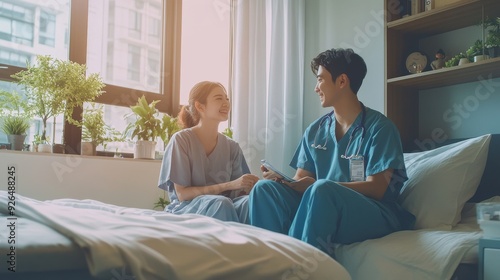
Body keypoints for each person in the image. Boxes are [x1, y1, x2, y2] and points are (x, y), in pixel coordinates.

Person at [248, 48, 415, 257]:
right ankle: (269, 264)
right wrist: (285, 182)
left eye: (320, 80)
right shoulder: (315, 130)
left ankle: (301, 268)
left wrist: (321, 186)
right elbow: (303, 179)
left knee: (322, 189)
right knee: (264, 189)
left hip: (373, 211)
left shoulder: (380, 128)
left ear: (342, 81)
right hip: (322, 204)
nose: (316, 88)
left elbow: (378, 188)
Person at [158, 81, 259, 223]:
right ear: (200, 106)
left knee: (250, 203)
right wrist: (229, 185)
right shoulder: (182, 140)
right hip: (187, 207)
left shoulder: (232, 147)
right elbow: (182, 194)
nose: (226, 103)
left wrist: (254, 185)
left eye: (227, 99)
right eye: (219, 98)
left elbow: (239, 192)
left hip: (225, 205)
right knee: (221, 203)